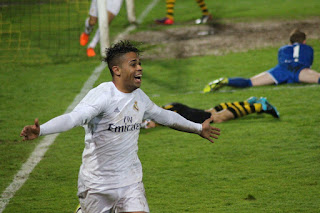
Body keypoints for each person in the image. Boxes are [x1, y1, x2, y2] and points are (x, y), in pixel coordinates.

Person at [20, 40, 220, 213]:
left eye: (140, 63)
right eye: (133, 64)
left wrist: (197, 128)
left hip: (130, 181)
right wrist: (42, 130)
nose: (140, 68)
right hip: (96, 184)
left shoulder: (139, 97)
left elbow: (164, 115)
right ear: (117, 70)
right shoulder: (102, 97)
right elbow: (73, 119)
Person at [203, 29, 320, 93]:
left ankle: (226, 80)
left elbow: (282, 61)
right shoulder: (308, 48)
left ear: (290, 41)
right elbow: (307, 64)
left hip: (281, 70)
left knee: (249, 82)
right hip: (299, 71)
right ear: (304, 41)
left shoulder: (283, 48)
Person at [141, 96, 279, 129]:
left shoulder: (157, 113)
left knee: (219, 117)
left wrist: (144, 124)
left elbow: (154, 122)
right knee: (213, 110)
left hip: (192, 116)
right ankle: (247, 103)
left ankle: (260, 107)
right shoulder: (163, 107)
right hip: (187, 111)